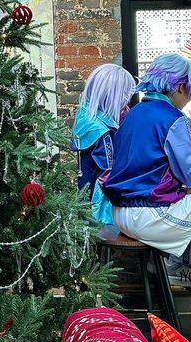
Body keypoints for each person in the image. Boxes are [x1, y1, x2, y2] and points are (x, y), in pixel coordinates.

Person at [103, 54, 191, 267]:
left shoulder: (133, 114)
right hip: (149, 215)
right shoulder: (173, 120)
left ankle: (170, 265)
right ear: (180, 87)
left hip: (120, 213)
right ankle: (175, 267)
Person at [71, 63, 136, 204]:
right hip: (101, 203)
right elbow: (110, 173)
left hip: (85, 194)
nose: (127, 103)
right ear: (113, 96)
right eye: (125, 97)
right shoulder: (101, 131)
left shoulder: (86, 117)